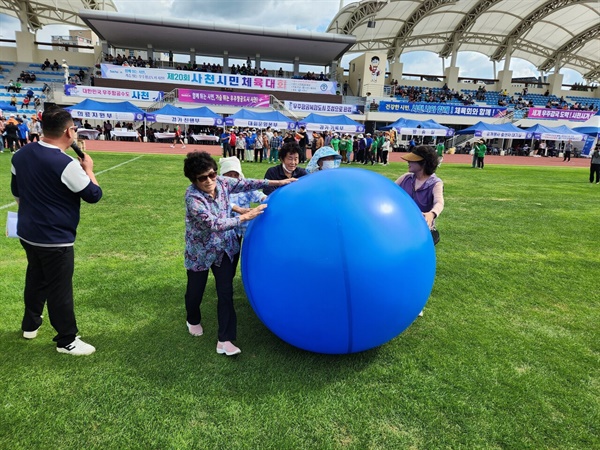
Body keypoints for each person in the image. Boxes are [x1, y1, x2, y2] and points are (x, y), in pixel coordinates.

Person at [10, 107, 102, 355]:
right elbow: (94, 195)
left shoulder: (20, 154)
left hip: (28, 232)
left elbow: (16, 193)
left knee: (36, 278)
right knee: (59, 289)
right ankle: (67, 340)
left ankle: (30, 325)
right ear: (68, 131)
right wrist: (89, 170)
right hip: (55, 239)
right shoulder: (66, 164)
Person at [183, 151, 294, 356]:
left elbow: (248, 183)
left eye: (212, 175)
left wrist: (279, 183)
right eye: (202, 178)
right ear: (193, 180)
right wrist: (246, 215)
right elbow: (213, 224)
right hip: (200, 252)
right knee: (194, 292)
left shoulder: (223, 183)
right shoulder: (193, 198)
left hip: (225, 248)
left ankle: (224, 340)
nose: (209, 181)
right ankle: (192, 318)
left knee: (225, 293)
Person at [396, 145, 444, 317]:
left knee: (417, 269)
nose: (408, 162)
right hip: (402, 231)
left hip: (422, 233)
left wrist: (432, 214)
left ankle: (416, 304)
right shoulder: (405, 179)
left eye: (413, 160)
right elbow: (389, 193)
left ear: (423, 163)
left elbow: (439, 202)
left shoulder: (435, 183)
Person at [219, 156, 266, 271]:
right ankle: (228, 277)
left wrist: (265, 198)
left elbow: (257, 194)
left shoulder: (243, 187)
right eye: (229, 175)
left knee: (249, 255)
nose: (233, 178)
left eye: (235, 175)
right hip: (230, 232)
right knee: (231, 259)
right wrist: (237, 208)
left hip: (245, 230)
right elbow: (224, 203)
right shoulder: (219, 189)